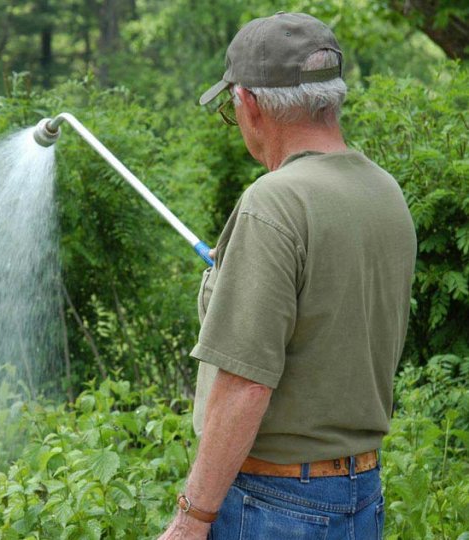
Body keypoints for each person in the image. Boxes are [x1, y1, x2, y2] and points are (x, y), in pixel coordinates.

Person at [158, 12, 417, 540]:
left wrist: (192, 518)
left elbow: (245, 382)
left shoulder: (273, 202)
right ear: (331, 97)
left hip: (272, 505)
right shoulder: (384, 191)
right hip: (360, 493)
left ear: (249, 103)